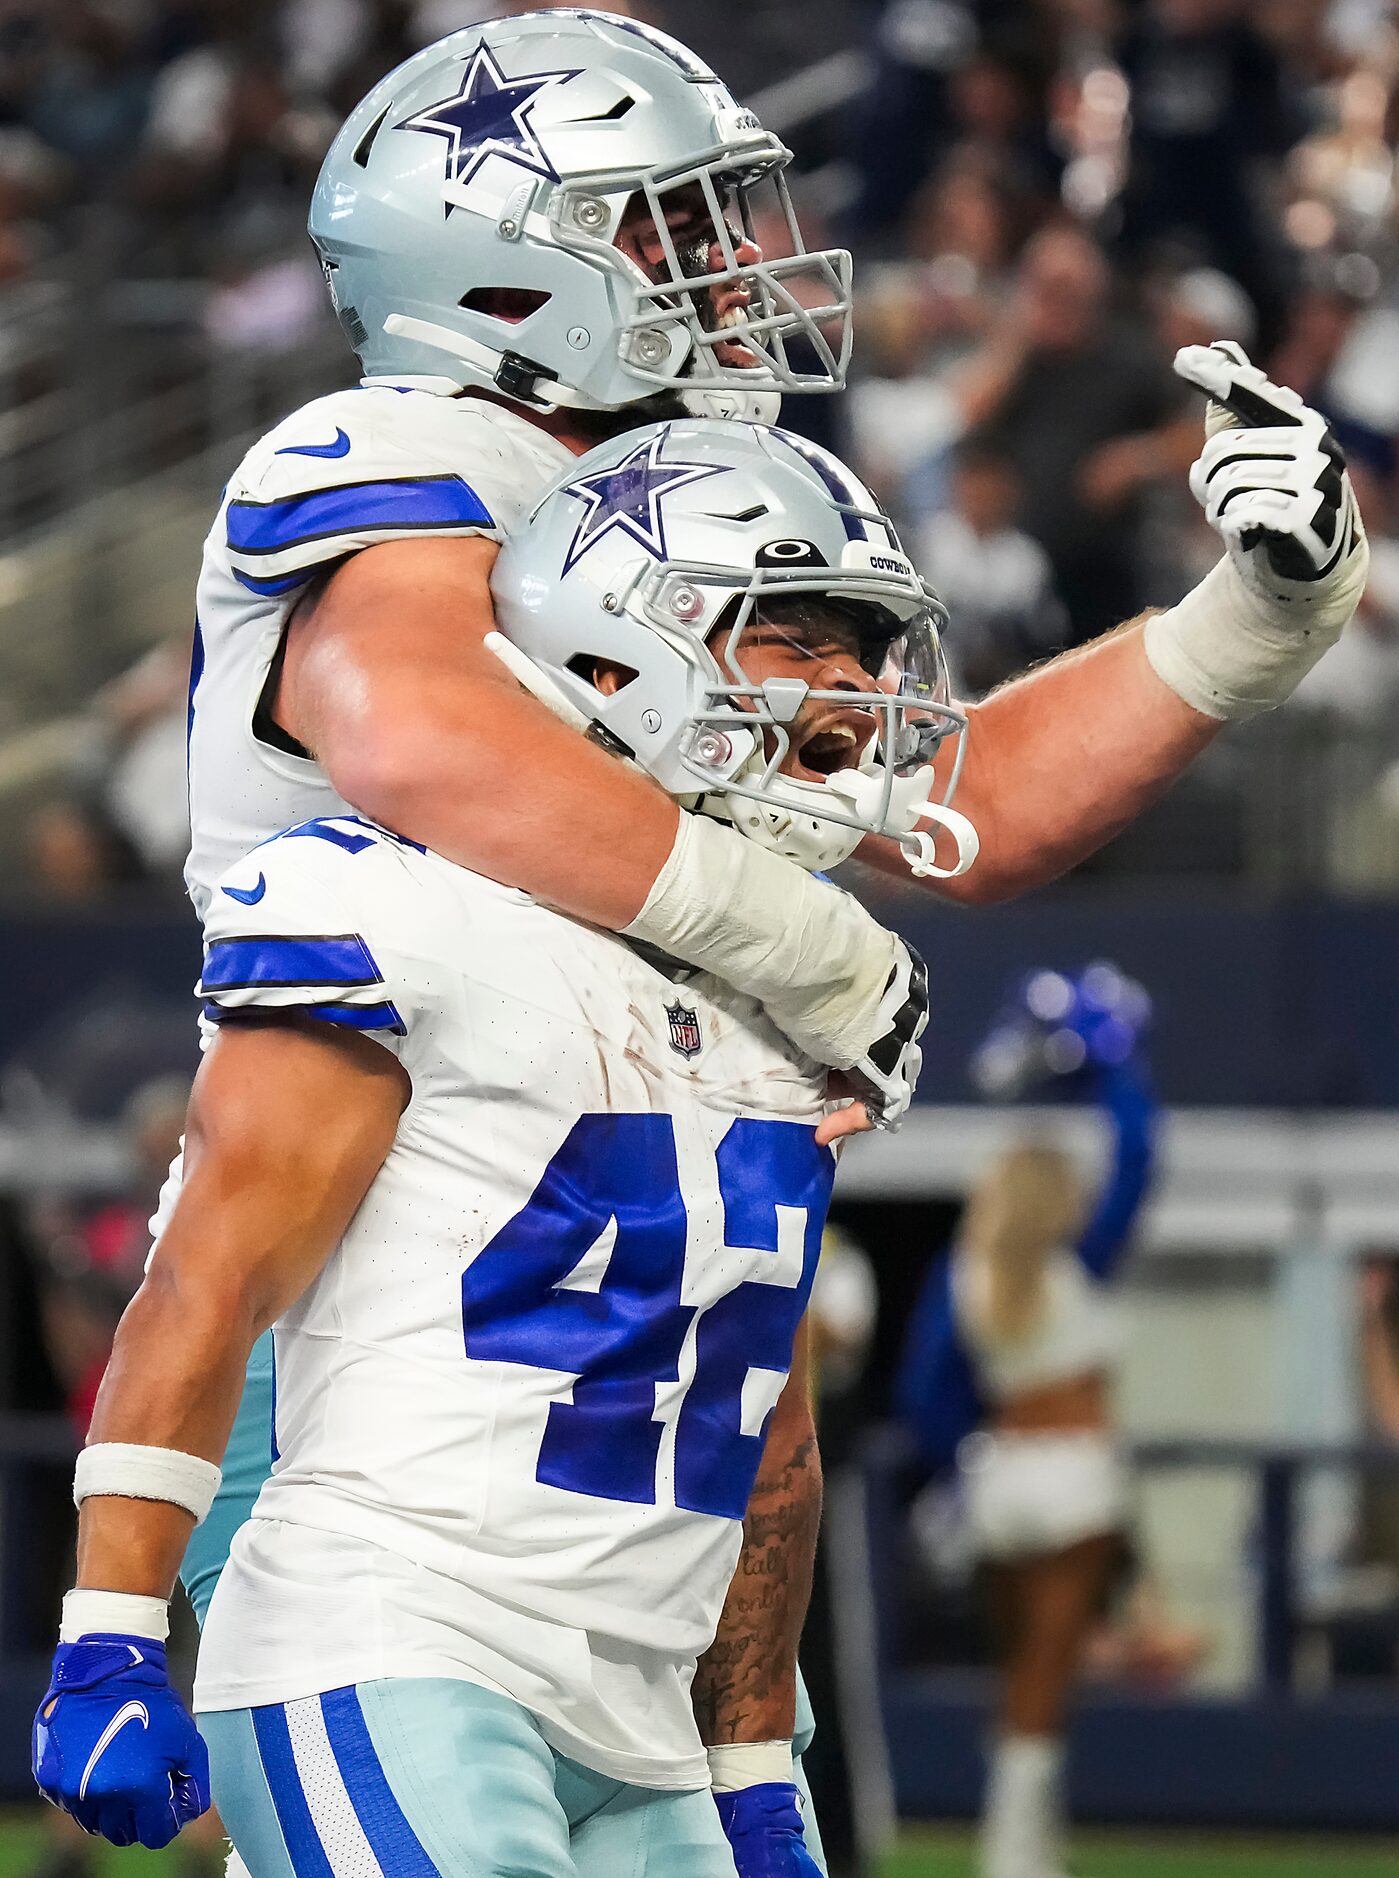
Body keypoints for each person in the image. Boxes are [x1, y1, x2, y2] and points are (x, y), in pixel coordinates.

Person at [27, 0, 1372, 1862]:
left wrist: (1250, 620)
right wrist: (812, 951)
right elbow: (410, 726)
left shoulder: (664, 511)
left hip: (628, 1231)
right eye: (675, 224)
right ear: (499, 274)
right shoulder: (399, 448)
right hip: (384, 1255)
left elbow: (936, 790)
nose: (738, 264)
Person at [31, 418, 956, 1876]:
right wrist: (109, 1634)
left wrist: (752, 1757)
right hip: (395, 1634)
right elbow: (205, 1281)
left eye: (864, 652)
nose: (851, 692)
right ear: (608, 652)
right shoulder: (399, 909)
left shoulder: (787, 1000)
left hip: (644, 1706)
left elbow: (758, 1419)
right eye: (794, 638)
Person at [896, 965, 1159, 1878]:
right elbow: (1139, 1153)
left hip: (998, 1482)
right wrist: (1110, 1067)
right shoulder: (1076, 1265)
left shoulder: (961, 1282)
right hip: (1076, 1482)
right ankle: (1015, 1862)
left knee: (1020, 1680)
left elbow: (925, 1395)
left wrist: (946, 1472)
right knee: (1043, 1691)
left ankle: (1026, 1848)